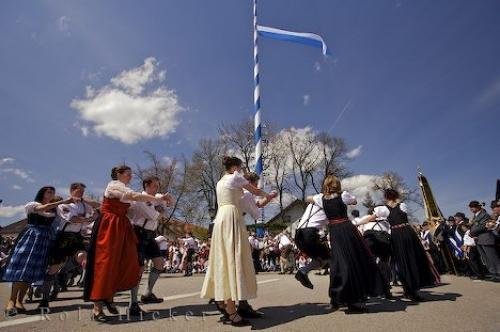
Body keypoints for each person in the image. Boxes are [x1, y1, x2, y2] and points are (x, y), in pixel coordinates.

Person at [83, 165, 171, 321]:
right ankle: (98, 307)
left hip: (122, 227)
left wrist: (160, 201)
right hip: (109, 226)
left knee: (124, 264)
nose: (131, 177)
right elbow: (136, 199)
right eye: (128, 174)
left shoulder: (124, 189)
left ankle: (111, 298)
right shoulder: (114, 185)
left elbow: (135, 205)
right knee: (105, 264)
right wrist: (158, 199)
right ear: (118, 174)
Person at [200, 156, 276, 327]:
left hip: (221, 218)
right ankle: (232, 310)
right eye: (240, 168)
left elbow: (248, 199)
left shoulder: (220, 181)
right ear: (235, 167)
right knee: (234, 260)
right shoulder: (235, 177)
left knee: (223, 260)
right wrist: (269, 195)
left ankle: (224, 302)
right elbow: (255, 193)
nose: (241, 171)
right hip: (232, 218)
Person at [306, 175, 383, 313]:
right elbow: (354, 201)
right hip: (347, 229)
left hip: (334, 231)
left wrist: (316, 199)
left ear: (326, 186)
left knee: (339, 263)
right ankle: (351, 298)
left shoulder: (320, 198)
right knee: (354, 260)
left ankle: (337, 298)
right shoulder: (343, 195)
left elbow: (308, 198)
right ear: (338, 185)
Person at [2, 187, 73, 317]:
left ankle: (19, 301)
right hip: (31, 237)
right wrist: (61, 202)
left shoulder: (55, 210)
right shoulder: (33, 205)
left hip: (44, 240)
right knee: (21, 268)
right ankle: (11, 301)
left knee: (31, 271)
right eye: (49, 192)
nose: (51, 194)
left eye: (53, 192)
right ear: (42, 193)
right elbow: (41, 209)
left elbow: (66, 218)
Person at [38, 183, 99, 308]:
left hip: (77, 237)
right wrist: (88, 219)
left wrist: (93, 213)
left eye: (83, 191)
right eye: (79, 191)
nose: (82, 194)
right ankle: (44, 299)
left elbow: (98, 209)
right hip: (63, 237)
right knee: (53, 268)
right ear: (72, 190)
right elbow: (73, 219)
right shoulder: (64, 204)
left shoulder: (84, 204)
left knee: (83, 256)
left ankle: (88, 288)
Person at [127, 175, 173, 314]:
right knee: (139, 268)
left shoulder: (155, 197)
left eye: (158, 186)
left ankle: (147, 294)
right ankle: (133, 304)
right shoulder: (141, 199)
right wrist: (161, 207)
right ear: (146, 186)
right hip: (139, 233)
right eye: (154, 186)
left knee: (159, 263)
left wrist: (166, 201)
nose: (157, 189)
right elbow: (155, 215)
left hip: (150, 234)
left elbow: (168, 204)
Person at [383, 189, 439, 301]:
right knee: (412, 259)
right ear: (396, 195)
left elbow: (379, 219)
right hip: (407, 233)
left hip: (396, 235)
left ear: (386, 197)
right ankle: (412, 290)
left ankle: (409, 290)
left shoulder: (384, 209)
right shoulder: (402, 205)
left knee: (402, 261)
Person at [353, 206, 393, 299]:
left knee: (368, 266)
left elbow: (356, 226)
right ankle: (386, 291)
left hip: (370, 243)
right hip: (384, 243)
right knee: (385, 265)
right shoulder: (386, 220)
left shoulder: (365, 219)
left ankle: (368, 291)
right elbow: (390, 232)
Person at [294, 193, 330, 290]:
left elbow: (308, 198)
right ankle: (341, 291)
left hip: (298, 235)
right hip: (309, 234)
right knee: (329, 259)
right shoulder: (327, 201)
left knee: (321, 259)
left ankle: (303, 272)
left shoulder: (315, 200)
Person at [469, 201, 500, 281]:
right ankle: (493, 273)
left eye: (473, 206)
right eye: (471, 206)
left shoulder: (484, 214)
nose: (471, 208)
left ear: (478, 207)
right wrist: (471, 233)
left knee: (492, 257)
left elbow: (483, 226)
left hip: (486, 238)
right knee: (485, 258)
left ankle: (499, 273)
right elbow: (473, 227)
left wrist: (472, 232)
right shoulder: (474, 217)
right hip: (478, 239)